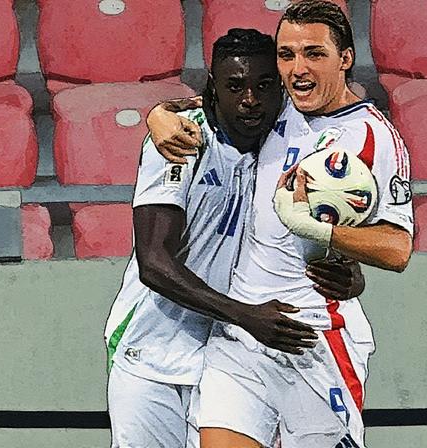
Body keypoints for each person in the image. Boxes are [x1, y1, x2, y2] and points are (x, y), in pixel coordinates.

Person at [147, 2, 413, 447]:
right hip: (240, 337)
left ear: (345, 58)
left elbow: (397, 248)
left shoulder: (373, 136)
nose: (297, 68)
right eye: (287, 55)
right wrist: (158, 114)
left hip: (315, 339)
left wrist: (316, 229)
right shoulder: (275, 108)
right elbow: (209, 104)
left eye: (314, 54)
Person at [105, 28, 365, 448]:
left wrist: (348, 276)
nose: (250, 99)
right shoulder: (180, 141)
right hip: (151, 356)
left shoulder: (288, 144)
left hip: (229, 358)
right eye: (235, 86)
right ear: (213, 88)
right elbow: (154, 262)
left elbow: (319, 241)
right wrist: (245, 314)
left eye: (264, 85)